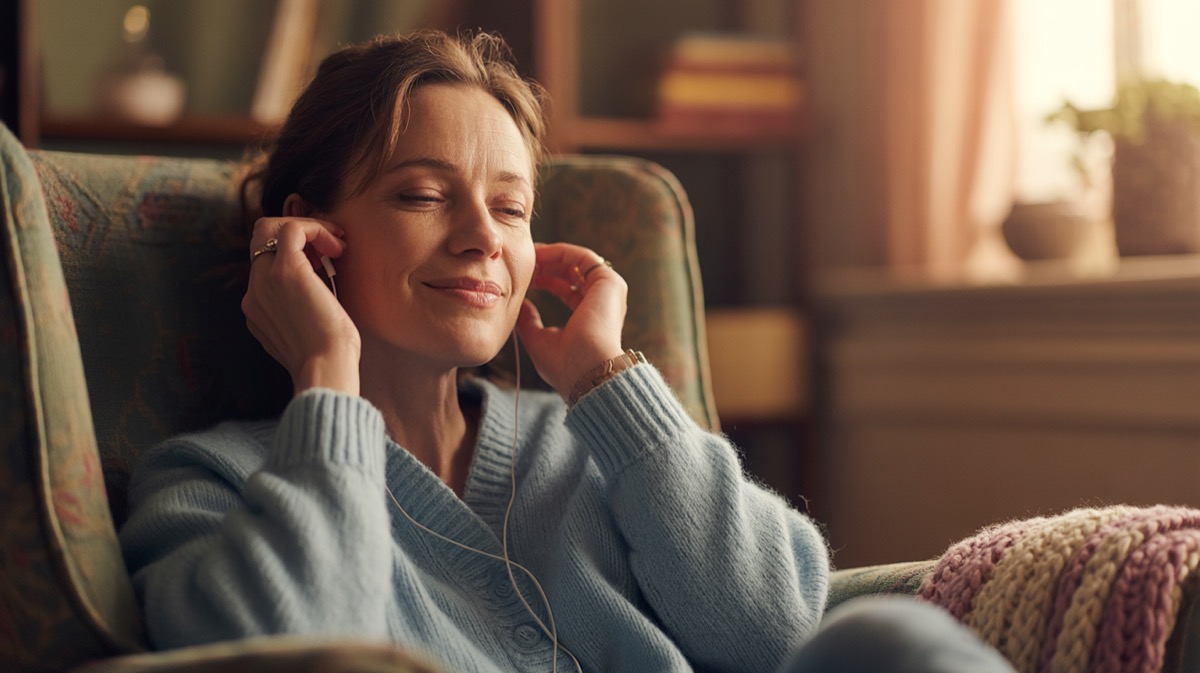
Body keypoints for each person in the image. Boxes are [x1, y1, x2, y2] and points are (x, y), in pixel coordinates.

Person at [118, 29, 1015, 673]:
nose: (482, 237)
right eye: (425, 194)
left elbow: (782, 631)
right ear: (312, 239)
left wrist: (606, 382)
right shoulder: (208, 480)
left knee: (889, 642)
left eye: (509, 207)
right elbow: (302, 640)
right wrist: (327, 374)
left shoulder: (592, 441)